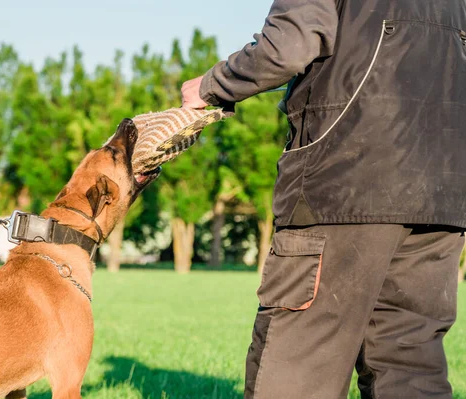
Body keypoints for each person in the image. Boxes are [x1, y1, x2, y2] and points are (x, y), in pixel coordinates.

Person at [181, 0, 466, 398]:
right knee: (410, 372)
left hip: (342, 179)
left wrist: (213, 85)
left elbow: (287, 46)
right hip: (444, 191)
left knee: (298, 368)